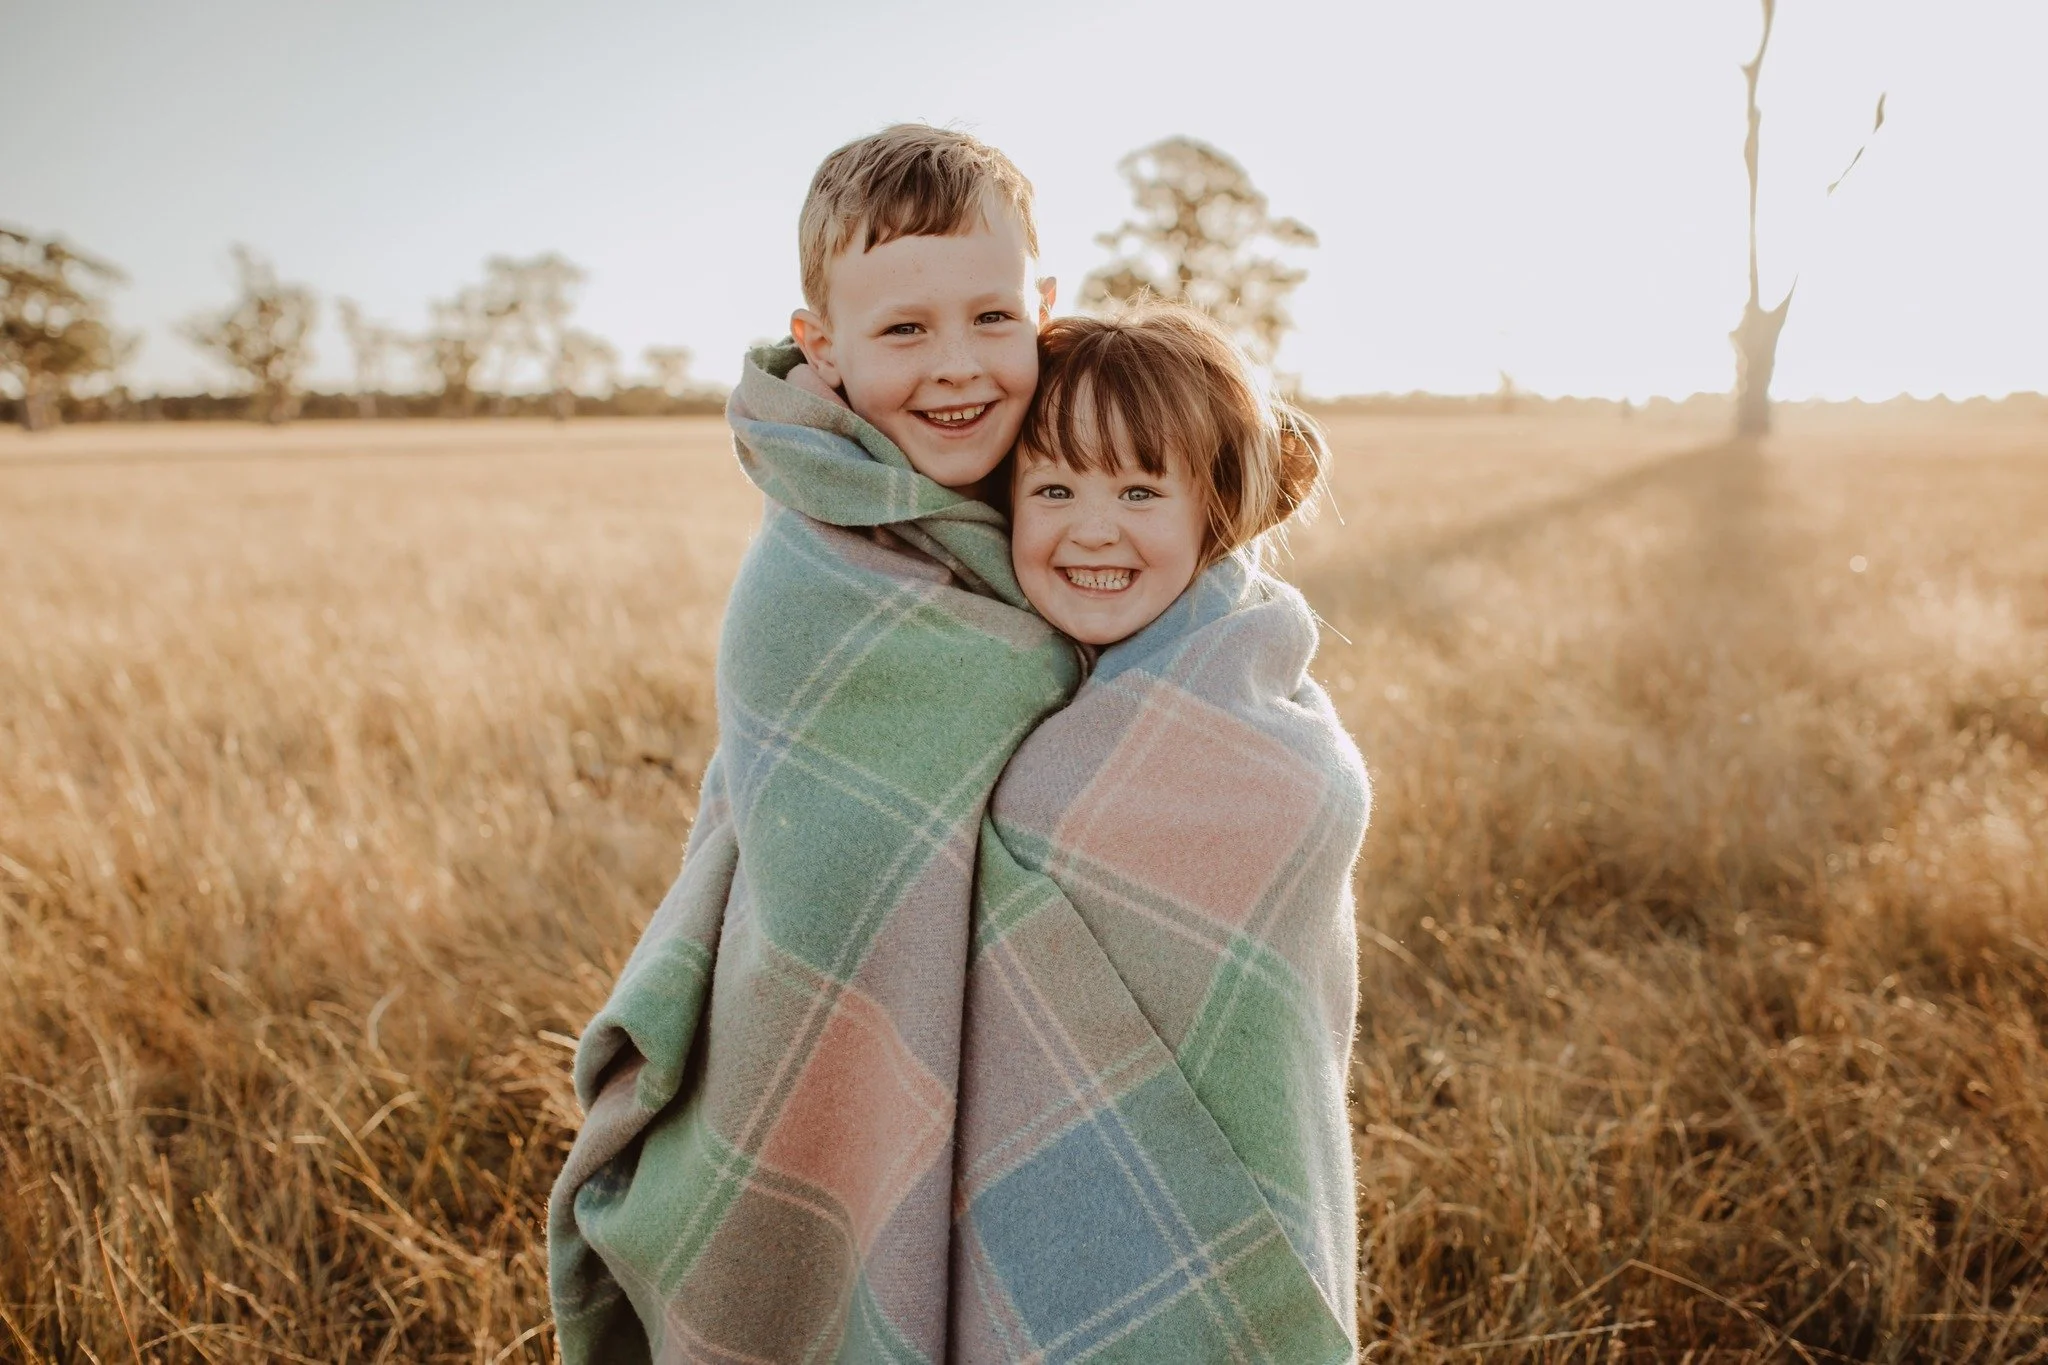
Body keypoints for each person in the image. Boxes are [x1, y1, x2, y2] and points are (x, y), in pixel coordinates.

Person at [546, 123, 1075, 1363]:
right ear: (819, 347)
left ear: (1043, 307)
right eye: (901, 332)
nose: (957, 368)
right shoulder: (809, 583)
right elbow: (831, 900)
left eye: (991, 318)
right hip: (844, 1058)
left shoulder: (1082, 484)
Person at [947, 303, 1371, 1360]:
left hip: (1220, 1215)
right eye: (1053, 489)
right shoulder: (980, 684)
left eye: (1139, 490)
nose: (1092, 528)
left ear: (1211, 511)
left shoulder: (1264, 739)